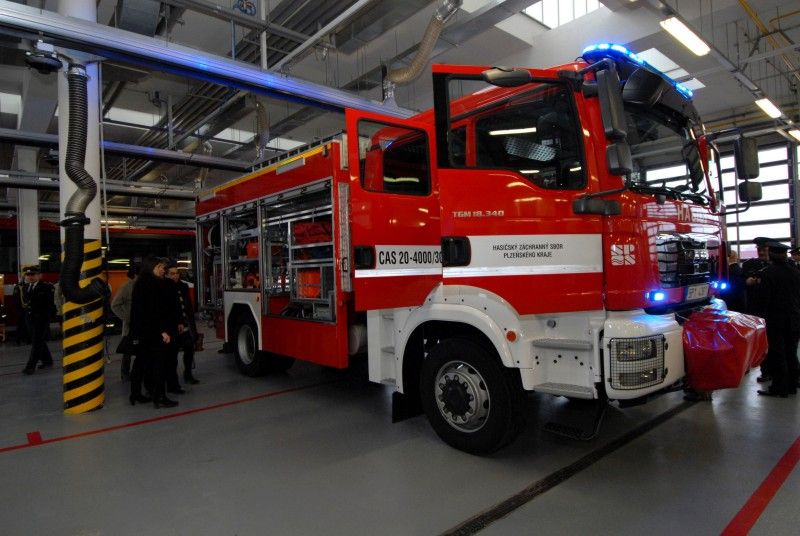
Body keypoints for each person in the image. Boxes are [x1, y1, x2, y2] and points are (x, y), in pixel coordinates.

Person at [128, 257, 179, 408]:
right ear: (152, 268)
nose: (163, 270)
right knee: (159, 365)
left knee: (141, 363)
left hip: (143, 332)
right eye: (160, 267)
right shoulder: (152, 285)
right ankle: (160, 397)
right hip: (153, 333)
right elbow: (153, 312)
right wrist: (162, 331)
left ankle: (135, 394)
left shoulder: (141, 283)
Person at [756, 241, 800, 398]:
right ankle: (793, 385)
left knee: (777, 353)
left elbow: (763, 299)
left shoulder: (768, 273)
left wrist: (760, 317)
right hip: (795, 318)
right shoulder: (796, 272)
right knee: (791, 352)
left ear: (772, 255)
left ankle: (779, 387)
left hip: (776, 320)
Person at [742, 237, 771, 382]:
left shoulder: (775, 266)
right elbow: (745, 282)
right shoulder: (750, 264)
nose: (761, 252)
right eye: (759, 249)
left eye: (764, 250)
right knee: (762, 343)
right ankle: (766, 371)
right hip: (756, 309)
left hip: (773, 309)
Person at [166, 262, 200, 386]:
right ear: (167, 275)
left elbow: (189, 307)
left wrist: (193, 329)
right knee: (172, 355)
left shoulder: (183, 286)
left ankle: (188, 374)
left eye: (177, 274)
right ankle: (171, 380)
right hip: (172, 327)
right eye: (172, 274)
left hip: (186, 325)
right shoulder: (165, 288)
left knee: (189, 350)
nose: (175, 276)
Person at [20, 265, 55, 375]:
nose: (30, 277)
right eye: (28, 275)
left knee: (36, 342)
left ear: (39, 275)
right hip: (30, 319)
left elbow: (50, 305)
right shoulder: (25, 287)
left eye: (33, 274)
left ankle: (30, 366)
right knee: (39, 341)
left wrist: (47, 319)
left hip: (41, 319)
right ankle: (47, 360)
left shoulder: (46, 287)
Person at [111, 266, 137, 381]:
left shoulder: (143, 286)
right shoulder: (126, 287)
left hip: (141, 323)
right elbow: (114, 305)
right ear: (135, 275)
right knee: (128, 350)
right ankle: (125, 373)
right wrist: (126, 318)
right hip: (130, 325)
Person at [721, 248, 746, 313]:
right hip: (741, 301)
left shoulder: (727, 272)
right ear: (736, 258)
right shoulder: (741, 270)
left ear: (728, 258)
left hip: (730, 302)